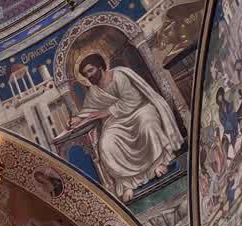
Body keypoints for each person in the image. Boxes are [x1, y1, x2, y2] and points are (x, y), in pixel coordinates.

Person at [66, 53, 183, 200]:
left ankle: (157, 165)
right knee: (106, 144)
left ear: (100, 66)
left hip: (139, 110)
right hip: (117, 121)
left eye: (91, 70)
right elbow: (89, 111)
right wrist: (78, 118)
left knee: (147, 125)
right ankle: (128, 183)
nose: (89, 76)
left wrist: (108, 111)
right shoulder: (94, 92)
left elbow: (133, 99)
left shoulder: (119, 76)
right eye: (86, 74)